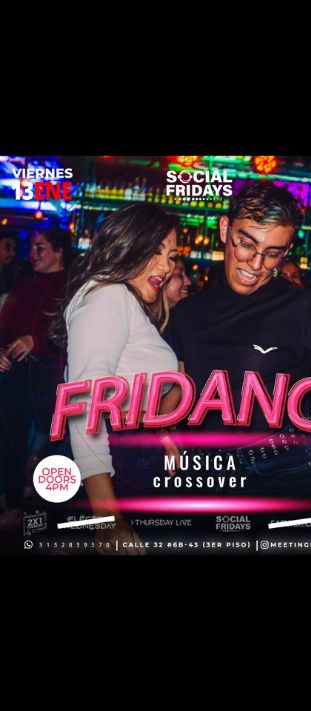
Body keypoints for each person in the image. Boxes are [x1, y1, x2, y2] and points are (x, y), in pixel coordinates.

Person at [166, 182, 311, 543]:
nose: (256, 264)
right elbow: (176, 398)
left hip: (281, 471)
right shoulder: (187, 313)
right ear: (225, 229)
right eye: (246, 244)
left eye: (273, 254)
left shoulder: (304, 308)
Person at [52, 202, 180, 555]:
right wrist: (107, 520)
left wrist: (159, 431)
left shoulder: (121, 299)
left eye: (171, 256)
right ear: (127, 245)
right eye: (155, 252)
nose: (165, 266)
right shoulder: (109, 297)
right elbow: (83, 405)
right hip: (114, 469)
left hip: (127, 461)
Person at [0, 227, 72, 529]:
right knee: (10, 441)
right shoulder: (22, 287)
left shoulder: (71, 288)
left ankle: (44, 518)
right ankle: (13, 504)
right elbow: (3, 329)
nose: (32, 253)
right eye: (31, 247)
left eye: (40, 247)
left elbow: (74, 335)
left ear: (59, 251)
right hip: (16, 374)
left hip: (52, 377)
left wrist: (38, 341)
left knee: (47, 448)